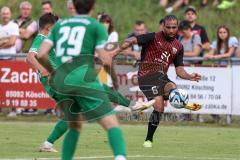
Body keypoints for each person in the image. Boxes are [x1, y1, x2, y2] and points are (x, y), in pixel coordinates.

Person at [38, 2, 154, 152]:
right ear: (93, 8)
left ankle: (48, 143)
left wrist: (54, 72)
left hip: (61, 81)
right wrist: (114, 78)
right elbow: (106, 60)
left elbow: (41, 54)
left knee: (73, 120)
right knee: (110, 119)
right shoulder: (93, 26)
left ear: (73, 6)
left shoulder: (61, 27)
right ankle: (132, 106)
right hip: (79, 78)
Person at [112, 15, 201, 148]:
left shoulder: (178, 46)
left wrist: (189, 76)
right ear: (163, 26)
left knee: (173, 87)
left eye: (174, 27)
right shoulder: (152, 37)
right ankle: (149, 139)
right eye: (168, 27)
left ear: (178, 28)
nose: (171, 30)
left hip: (161, 77)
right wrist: (113, 53)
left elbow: (179, 70)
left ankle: (178, 101)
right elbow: (131, 40)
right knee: (159, 106)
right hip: (146, 76)